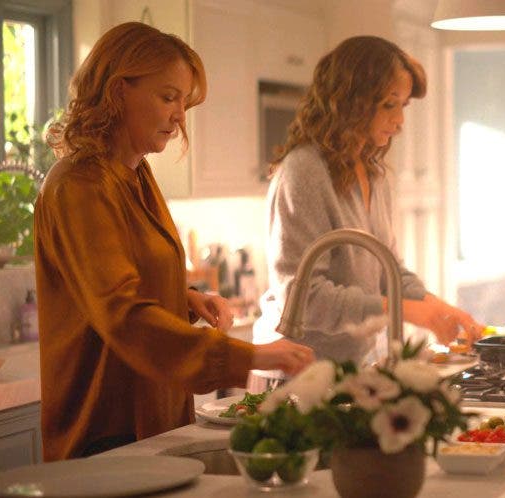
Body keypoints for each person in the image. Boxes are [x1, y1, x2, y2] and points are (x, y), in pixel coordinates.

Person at [35, 22, 315, 461]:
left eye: (184, 102)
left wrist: (181, 296)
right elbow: (122, 314)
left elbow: (121, 277)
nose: (180, 116)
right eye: (168, 97)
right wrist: (252, 356)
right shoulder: (81, 185)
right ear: (118, 91)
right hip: (106, 432)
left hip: (152, 419)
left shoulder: (134, 174)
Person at [254, 35, 482, 366]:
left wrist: (439, 308)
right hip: (298, 372)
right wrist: (407, 310)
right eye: (389, 104)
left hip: (351, 367)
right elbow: (306, 299)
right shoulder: (303, 171)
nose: (401, 121)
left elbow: (388, 269)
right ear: (350, 101)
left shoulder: (373, 172)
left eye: (403, 105)